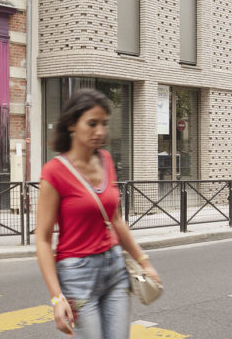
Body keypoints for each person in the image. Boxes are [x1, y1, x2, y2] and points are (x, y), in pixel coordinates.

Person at [36, 88, 161, 337]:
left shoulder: (106, 160)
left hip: (114, 267)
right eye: (92, 124)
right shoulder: (54, 172)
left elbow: (115, 219)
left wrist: (144, 261)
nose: (101, 132)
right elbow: (42, 238)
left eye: (104, 123)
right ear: (72, 124)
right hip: (77, 275)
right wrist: (56, 297)